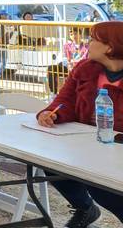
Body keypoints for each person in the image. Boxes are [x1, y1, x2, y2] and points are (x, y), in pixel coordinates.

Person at [37, 21, 123, 226]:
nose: (87, 43)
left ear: (110, 47)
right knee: (51, 163)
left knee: (100, 186)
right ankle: (85, 207)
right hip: (86, 142)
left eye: (92, 40)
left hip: (116, 148)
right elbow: (64, 100)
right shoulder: (84, 69)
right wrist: (51, 113)